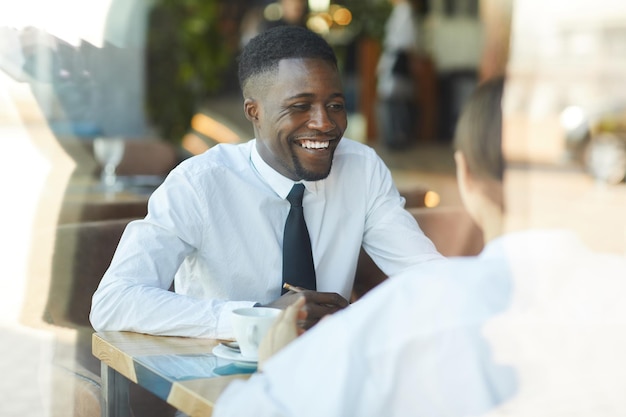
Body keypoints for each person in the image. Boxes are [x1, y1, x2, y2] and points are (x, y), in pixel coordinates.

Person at [212, 76, 626, 416]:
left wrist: (279, 368)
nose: (321, 122)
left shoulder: (410, 313)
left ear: (465, 175)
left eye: (334, 105)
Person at [89, 26, 443, 339]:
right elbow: (113, 301)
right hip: (216, 388)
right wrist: (257, 317)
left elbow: (428, 276)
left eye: (335, 105)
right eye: (300, 106)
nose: (324, 123)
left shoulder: (361, 169)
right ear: (253, 112)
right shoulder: (199, 184)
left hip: (324, 385)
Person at [376, 0, 421, 150]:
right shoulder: (400, 10)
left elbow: (407, 41)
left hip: (399, 61)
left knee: (397, 100)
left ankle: (398, 136)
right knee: (393, 100)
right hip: (395, 59)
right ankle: (393, 136)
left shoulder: (404, 10)